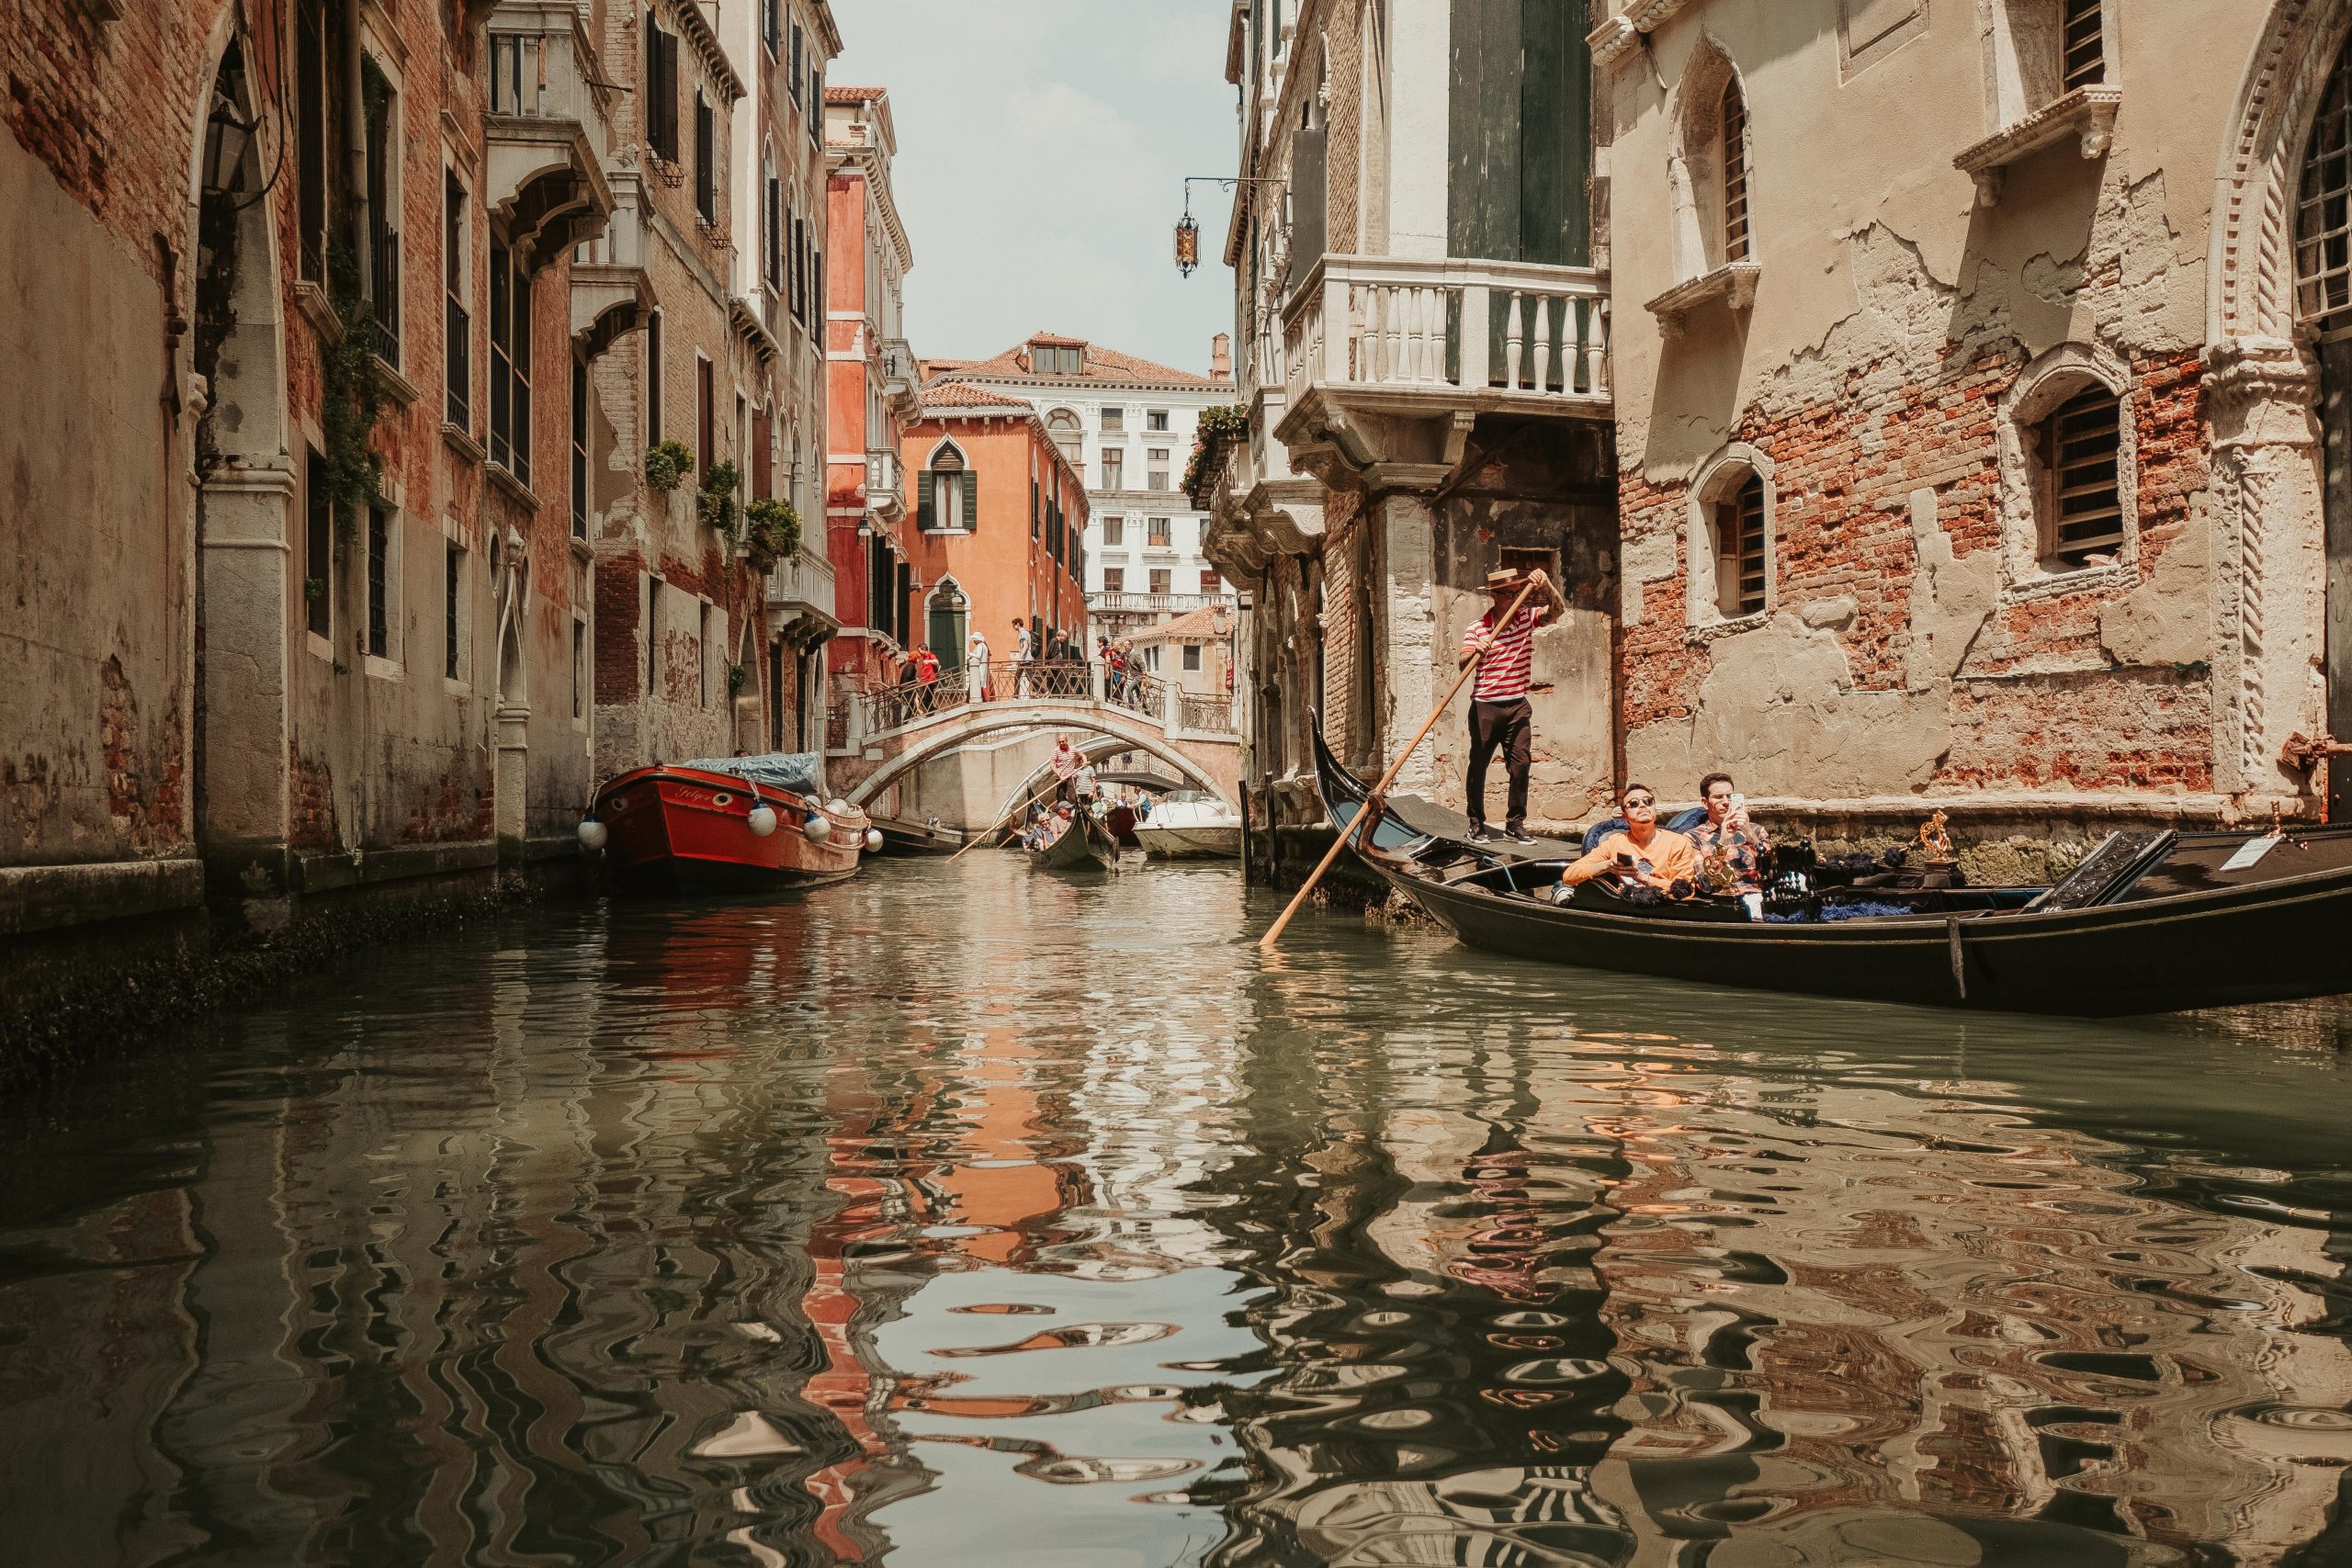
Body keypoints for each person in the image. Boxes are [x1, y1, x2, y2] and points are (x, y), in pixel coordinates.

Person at [1458, 566, 1566, 844]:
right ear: (1495, 596)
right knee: (1479, 765)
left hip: (1517, 704)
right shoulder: (1478, 628)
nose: (1514, 597)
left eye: (1516, 592)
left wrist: (1546, 585)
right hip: (1485, 706)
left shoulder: (1525, 619)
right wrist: (1476, 651)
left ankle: (1515, 823)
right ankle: (1474, 822)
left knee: (1521, 764)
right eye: (1508, 594)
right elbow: (1462, 663)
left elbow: (1558, 611)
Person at [1558, 783, 1697, 896]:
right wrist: (1607, 866)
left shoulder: (1678, 843)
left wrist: (1641, 877)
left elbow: (1686, 892)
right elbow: (1569, 876)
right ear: (1625, 816)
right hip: (1625, 909)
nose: (1642, 805)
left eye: (1648, 801)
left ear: (1654, 808)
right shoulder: (1615, 842)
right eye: (1634, 803)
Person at [1687, 772, 1770, 895]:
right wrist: (1723, 842)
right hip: (1726, 902)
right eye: (1718, 797)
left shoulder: (1757, 831)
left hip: (1761, 895)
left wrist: (1751, 836)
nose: (1726, 802)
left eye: (1730, 796)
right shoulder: (1693, 837)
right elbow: (1705, 885)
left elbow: (1773, 874)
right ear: (1705, 803)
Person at [1048, 734, 1082, 804]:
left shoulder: (1073, 749)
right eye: (1059, 742)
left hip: (1071, 776)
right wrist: (1060, 776)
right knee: (1060, 797)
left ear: (1066, 741)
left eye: (1063, 741)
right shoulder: (1056, 751)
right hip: (1060, 777)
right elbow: (1052, 764)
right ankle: (1063, 812)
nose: (1061, 743)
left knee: (1072, 797)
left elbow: (1081, 754)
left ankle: (1073, 810)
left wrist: (1083, 761)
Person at [967, 629, 989, 702]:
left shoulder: (980, 646)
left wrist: (970, 654)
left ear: (977, 639)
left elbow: (978, 656)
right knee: (979, 684)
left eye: (974, 639)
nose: (973, 641)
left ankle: (972, 700)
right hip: (982, 667)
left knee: (976, 684)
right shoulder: (984, 646)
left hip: (979, 668)